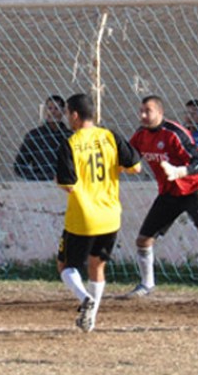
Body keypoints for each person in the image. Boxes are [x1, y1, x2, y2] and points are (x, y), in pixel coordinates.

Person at [124, 95, 198, 298]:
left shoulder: (175, 133)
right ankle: (147, 284)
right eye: (141, 110)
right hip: (169, 193)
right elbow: (129, 156)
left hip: (193, 189)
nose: (143, 115)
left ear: (160, 113)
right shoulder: (140, 135)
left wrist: (180, 172)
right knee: (143, 240)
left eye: (148, 111)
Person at [55, 94, 141, 332]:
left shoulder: (70, 143)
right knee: (97, 266)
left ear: (74, 115)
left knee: (65, 267)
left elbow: (68, 184)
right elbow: (136, 167)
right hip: (111, 216)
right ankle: (90, 319)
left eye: (67, 113)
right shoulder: (111, 136)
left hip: (83, 217)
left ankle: (84, 298)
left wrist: (59, 179)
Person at [14, 95, 73, 181]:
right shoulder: (35, 136)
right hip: (40, 184)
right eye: (50, 108)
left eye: (56, 109)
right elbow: (19, 165)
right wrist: (36, 177)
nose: (53, 112)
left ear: (63, 112)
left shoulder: (69, 136)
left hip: (65, 183)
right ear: (45, 111)